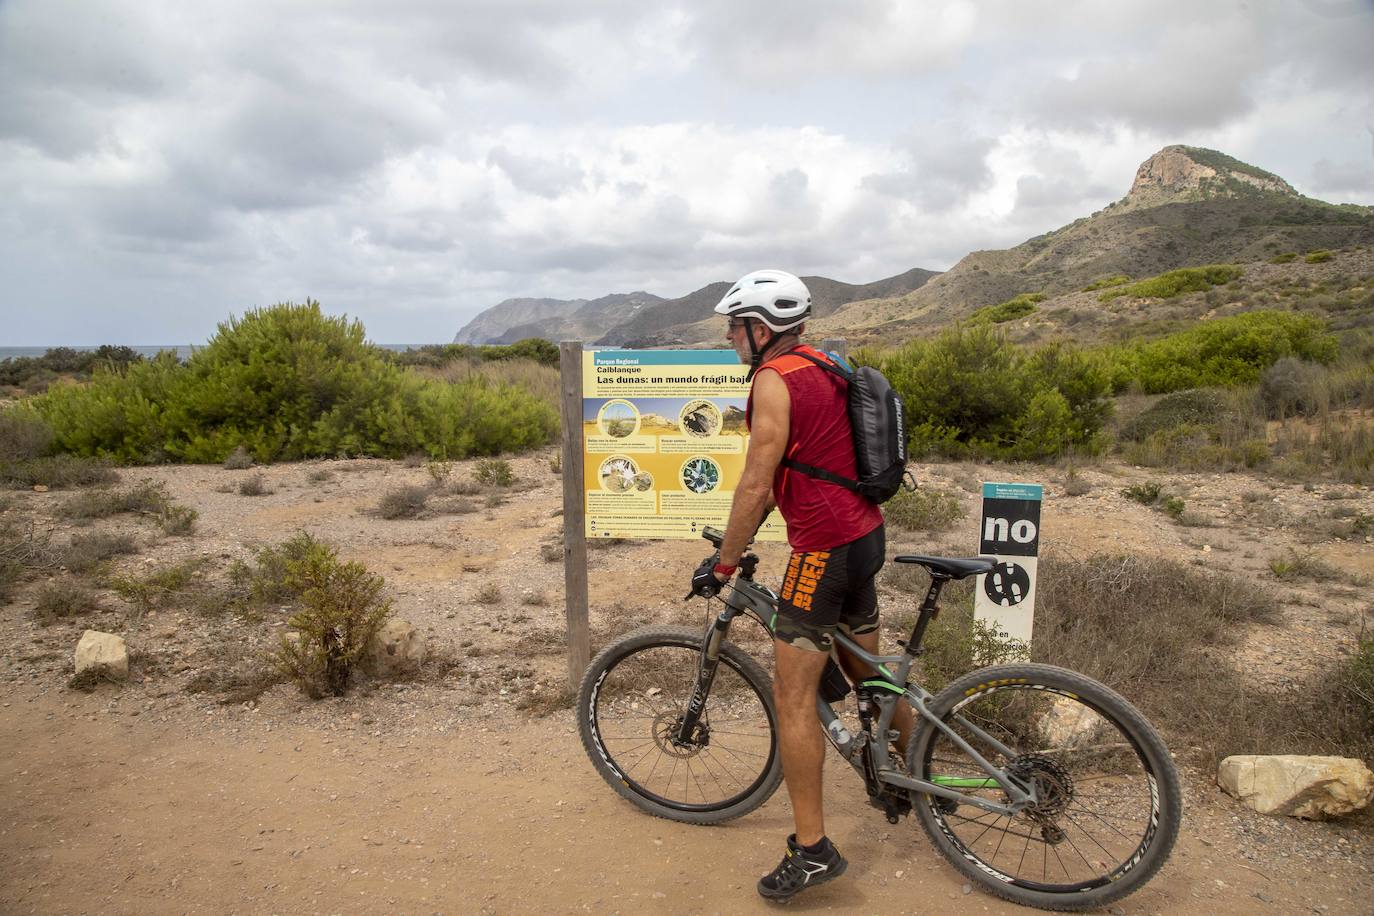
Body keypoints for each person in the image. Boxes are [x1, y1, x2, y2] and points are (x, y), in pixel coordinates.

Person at [688, 269, 910, 902]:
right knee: (871, 671)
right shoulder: (827, 362)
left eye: (735, 328)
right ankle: (911, 778)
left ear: (761, 329)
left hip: (823, 549)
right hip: (866, 533)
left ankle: (811, 850)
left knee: (793, 699)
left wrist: (725, 563)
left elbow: (756, 482)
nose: (732, 339)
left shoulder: (772, 380)